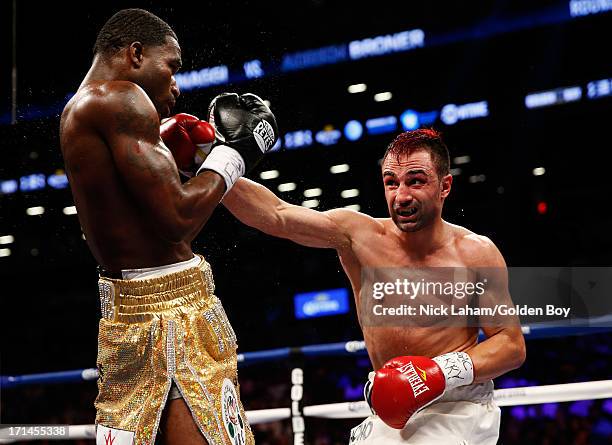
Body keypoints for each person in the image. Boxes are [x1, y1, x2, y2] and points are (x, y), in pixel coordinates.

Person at [222, 129, 526, 444]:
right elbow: (277, 215)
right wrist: (213, 165)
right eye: (391, 182)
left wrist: (437, 373)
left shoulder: (475, 253)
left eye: (416, 181)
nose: (402, 195)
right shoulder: (359, 237)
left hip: (456, 407)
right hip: (389, 404)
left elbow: (510, 345)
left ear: (445, 186)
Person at [59, 8, 277, 445]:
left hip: (128, 314)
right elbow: (178, 221)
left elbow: (142, 219)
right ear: (135, 53)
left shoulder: (83, 107)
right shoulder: (121, 98)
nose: (176, 85)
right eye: (172, 67)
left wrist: (182, 159)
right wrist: (232, 155)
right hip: (171, 319)